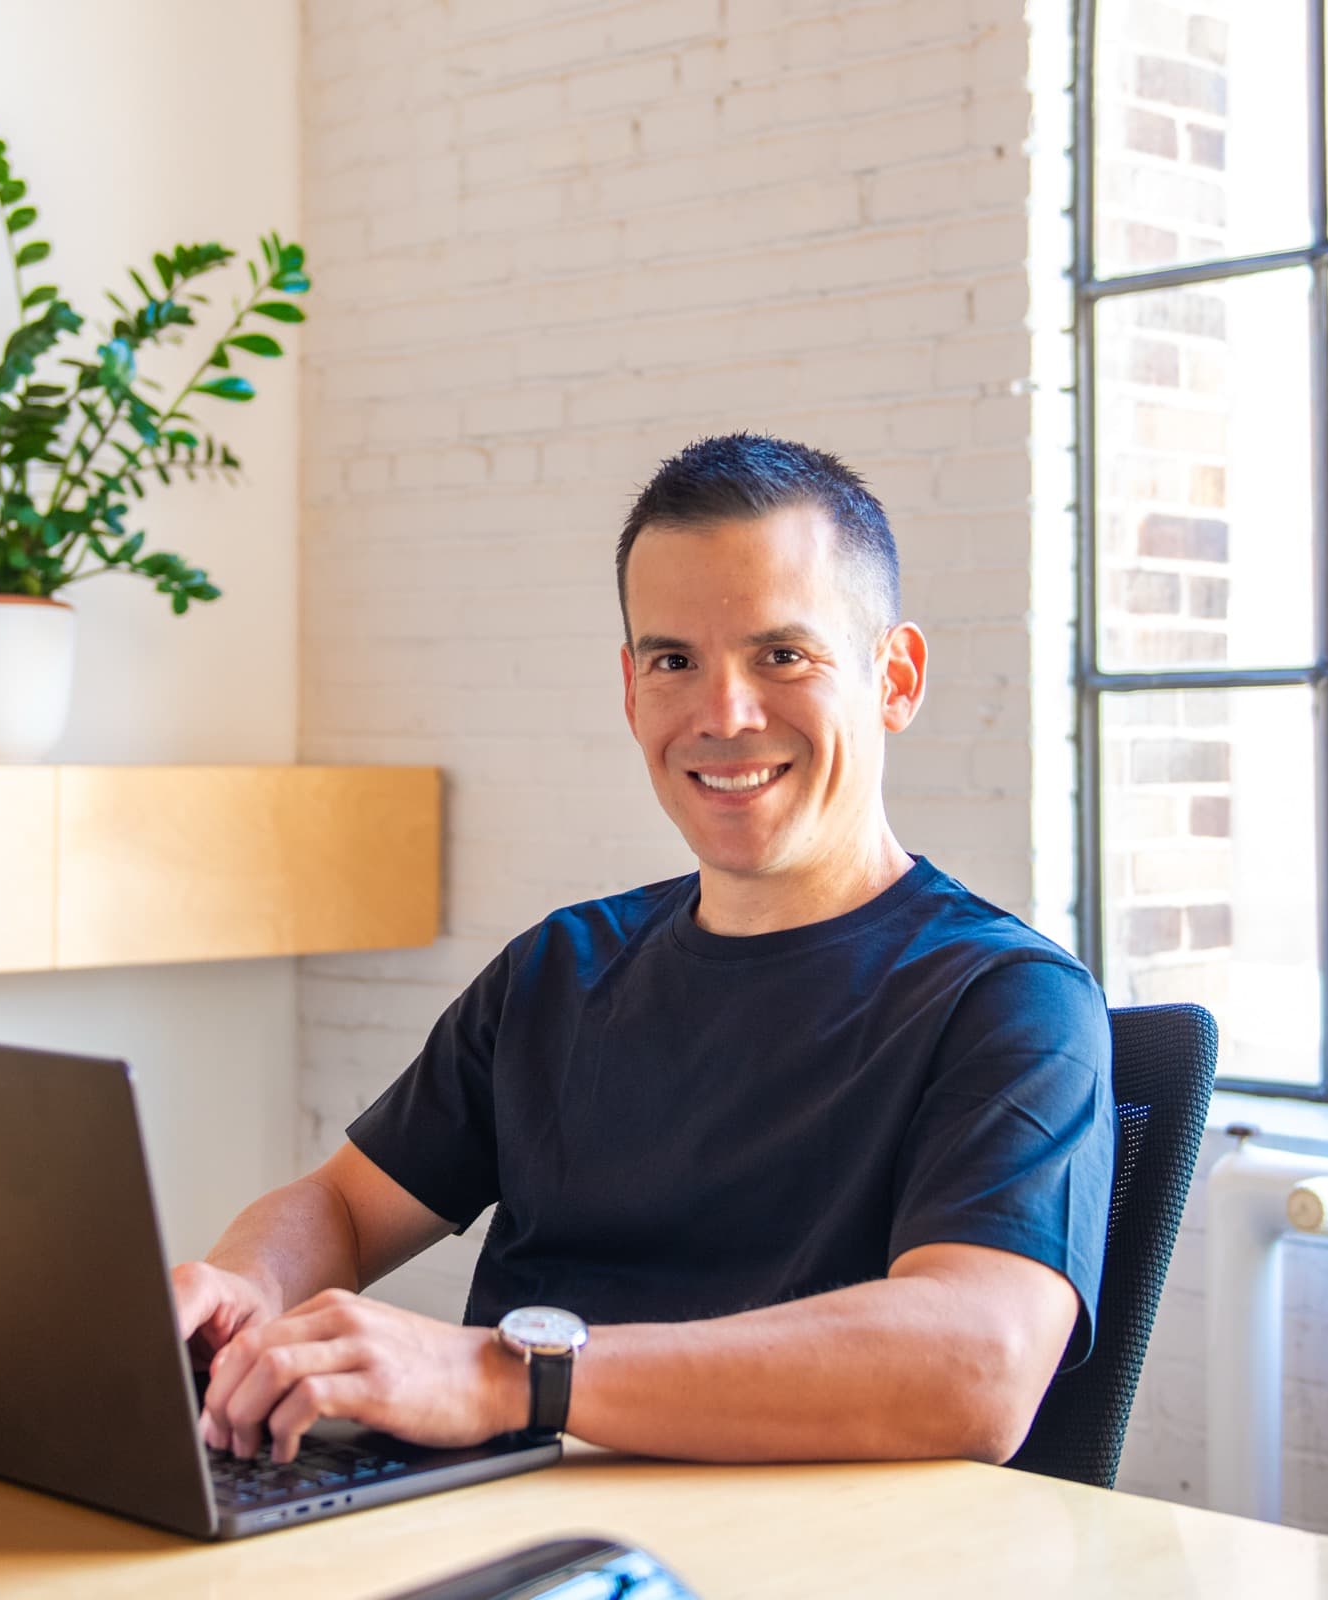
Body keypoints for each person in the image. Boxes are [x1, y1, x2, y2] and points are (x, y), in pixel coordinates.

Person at [173, 433, 1114, 1467]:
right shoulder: (559, 972)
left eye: (782, 655)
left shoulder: (1009, 1001)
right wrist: (243, 1286)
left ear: (895, 678)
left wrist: (503, 1375)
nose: (724, 715)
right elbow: (343, 1205)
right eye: (675, 661)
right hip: (505, 1545)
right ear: (630, 693)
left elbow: (977, 1362)